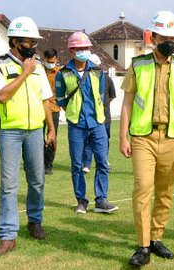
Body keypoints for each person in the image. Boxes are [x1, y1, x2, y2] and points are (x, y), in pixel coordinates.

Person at [120, 11, 174, 267]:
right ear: (153, 37)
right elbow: (128, 102)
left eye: (173, 37)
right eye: (164, 36)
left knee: (165, 193)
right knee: (143, 188)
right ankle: (143, 246)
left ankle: (156, 237)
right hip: (143, 136)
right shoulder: (138, 64)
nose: (169, 41)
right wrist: (123, 137)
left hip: (173, 137)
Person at [0, 16, 56, 257]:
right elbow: (2, 96)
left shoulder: (37, 67)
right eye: (27, 41)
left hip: (35, 131)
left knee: (37, 179)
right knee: (9, 185)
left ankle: (35, 220)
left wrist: (52, 128)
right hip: (10, 133)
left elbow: (45, 99)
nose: (32, 46)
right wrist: (25, 73)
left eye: (34, 41)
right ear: (15, 41)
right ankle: (7, 236)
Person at [55, 32, 118, 214]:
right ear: (72, 50)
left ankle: (101, 200)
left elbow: (99, 95)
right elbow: (60, 99)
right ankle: (81, 200)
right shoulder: (63, 73)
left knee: (102, 162)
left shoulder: (98, 71)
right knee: (77, 164)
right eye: (79, 48)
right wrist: (73, 112)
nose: (83, 51)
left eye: (85, 48)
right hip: (76, 124)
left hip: (97, 123)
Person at [82, 53, 117, 173]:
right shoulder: (84, 79)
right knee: (88, 140)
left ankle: (104, 161)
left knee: (104, 140)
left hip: (105, 116)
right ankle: (86, 163)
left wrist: (102, 104)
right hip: (90, 115)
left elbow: (112, 95)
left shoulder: (107, 79)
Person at [43, 48, 62, 175]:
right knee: (37, 137)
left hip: (54, 108)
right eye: (48, 61)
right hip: (38, 109)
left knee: (52, 137)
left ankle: (48, 164)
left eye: (52, 61)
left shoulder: (60, 73)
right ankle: (38, 162)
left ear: (56, 60)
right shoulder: (38, 71)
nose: (50, 63)